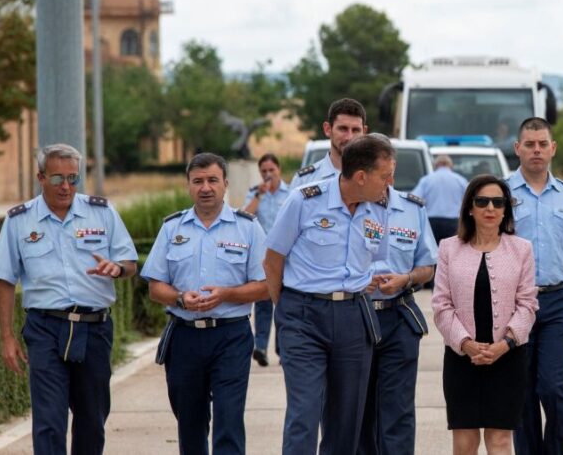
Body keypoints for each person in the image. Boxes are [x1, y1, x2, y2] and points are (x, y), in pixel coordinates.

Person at [0, 143, 138, 455]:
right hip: (45, 330)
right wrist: (6, 337)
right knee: (49, 420)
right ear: (41, 178)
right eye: (57, 179)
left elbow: (130, 264)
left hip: (94, 330)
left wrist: (117, 268)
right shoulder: (19, 221)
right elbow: (5, 279)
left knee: (91, 420)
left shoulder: (102, 212)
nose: (66, 186)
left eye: (73, 178)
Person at [264, 135, 395, 454]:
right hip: (303, 317)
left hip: (353, 319)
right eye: (386, 175)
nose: (391, 182)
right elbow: (272, 260)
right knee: (304, 413)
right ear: (361, 176)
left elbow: (375, 257)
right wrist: (288, 312)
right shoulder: (304, 200)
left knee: (346, 420)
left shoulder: (379, 207)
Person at [141, 152, 269, 455]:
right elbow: (155, 287)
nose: (205, 187)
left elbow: (265, 287)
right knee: (191, 423)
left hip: (231, 336)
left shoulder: (248, 228)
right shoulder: (173, 229)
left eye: (212, 180)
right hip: (184, 337)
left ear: (225, 183)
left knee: (229, 420)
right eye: (198, 181)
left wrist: (226, 294)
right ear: (189, 186)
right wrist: (180, 298)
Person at [506, 117, 563, 455]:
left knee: (554, 386)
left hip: (559, 300)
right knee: (522, 390)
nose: (536, 150)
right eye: (529, 144)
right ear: (517, 148)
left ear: (553, 148)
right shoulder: (500, 194)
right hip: (515, 304)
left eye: (543, 144)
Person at [432, 175, 539, 455]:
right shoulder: (448, 248)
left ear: (506, 209)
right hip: (460, 358)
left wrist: (505, 345)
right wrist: (466, 344)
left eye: (498, 202)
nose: (490, 208)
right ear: (470, 207)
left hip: (508, 356)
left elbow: (527, 304)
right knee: (465, 441)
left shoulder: (522, 249)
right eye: (482, 201)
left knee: (501, 440)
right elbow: (441, 305)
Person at [359, 136, 438, 455]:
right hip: (356, 318)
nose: (389, 181)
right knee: (359, 410)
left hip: (399, 317)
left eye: (392, 173)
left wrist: (406, 278)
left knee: (398, 410)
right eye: (383, 174)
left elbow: (428, 265)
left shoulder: (412, 208)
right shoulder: (349, 207)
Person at [242, 152, 291, 366]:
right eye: (264, 171)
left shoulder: (291, 193)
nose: (268, 174)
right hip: (263, 259)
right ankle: (260, 347)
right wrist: (259, 196)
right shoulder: (255, 193)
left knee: (283, 303)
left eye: (272, 170)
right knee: (262, 303)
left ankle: (283, 349)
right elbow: (245, 218)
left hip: (286, 258)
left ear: (279, 169)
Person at [291, 98, 368, 189]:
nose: (349, 137)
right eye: (343, 129)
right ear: (328, 129)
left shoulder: (376, 178)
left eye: (356, 130)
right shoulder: (304, 180)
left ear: (364, 132)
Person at [412, 154, 469, 242]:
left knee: (433, 251)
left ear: (436, 165)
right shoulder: (460, 180)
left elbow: (415, 197)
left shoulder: (427, 180)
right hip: (453, 222)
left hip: (432, 222)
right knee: (452, 251)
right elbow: (469, 199)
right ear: (451, 165)